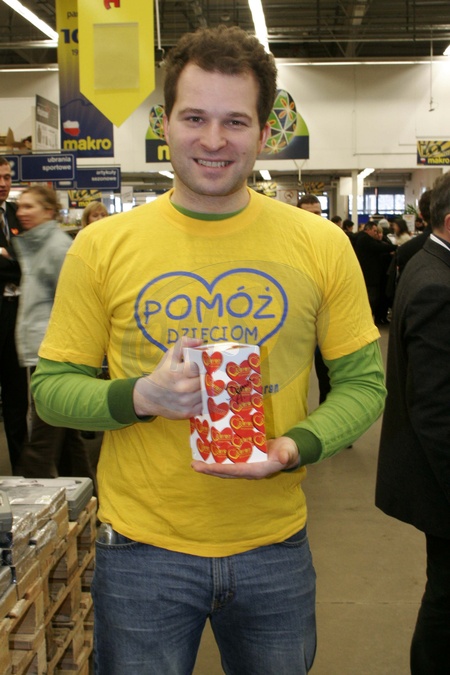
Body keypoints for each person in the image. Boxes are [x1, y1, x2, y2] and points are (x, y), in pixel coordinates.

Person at [32, 26, 386, 674]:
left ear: (264, 131)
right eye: (194, 117)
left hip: (274, 544)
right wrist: (142, 396)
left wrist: (293, 447)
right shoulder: (101, 246)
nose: (214, 140)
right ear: (165, 123)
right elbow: (51, 390)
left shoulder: (320, 243)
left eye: (235, 121)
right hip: (141, 549)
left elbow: (365, 383)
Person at [375, 171, 450, 674]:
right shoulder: (437, 286)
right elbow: (437, 410)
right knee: (446, 602)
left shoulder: (428, 264)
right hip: (440, 481)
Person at [13, 186, 95, 484]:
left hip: (53, 352)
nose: (22, 212)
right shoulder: (36, 245)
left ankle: (27, 498)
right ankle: (88, 495)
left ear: (48, 211)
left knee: (42, 437)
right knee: (65, 434)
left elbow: (73, 303)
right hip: (42, 346)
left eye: (29, 206)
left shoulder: (57, 248)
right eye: (20, 206)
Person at [0, 156, 28, 473]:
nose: (3, 183)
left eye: (7, 177)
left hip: (16, 314)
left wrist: (10, 259)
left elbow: (28, 263)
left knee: (17, 398)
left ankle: (21, 469)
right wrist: (14, 262)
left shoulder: (15, 213)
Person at [355, 221, 396, 323]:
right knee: (372, 298)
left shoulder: (362, 238)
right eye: (374, 231)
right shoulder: (365, 239)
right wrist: (396, 247)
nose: (376, 233)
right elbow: (379, 247)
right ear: (368, 230)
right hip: (369, 275)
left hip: (368, 274)